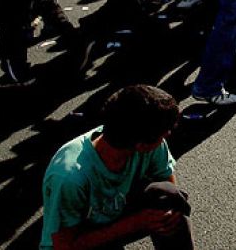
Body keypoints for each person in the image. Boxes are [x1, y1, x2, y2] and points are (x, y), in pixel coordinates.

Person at [41, 84, 194, 249]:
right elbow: (64, 246)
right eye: (164, 132)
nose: (168, 134)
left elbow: (165, 179)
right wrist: (134, 223)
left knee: (169, 198)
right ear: (141, 145)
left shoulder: (137, 138)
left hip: (115, 214)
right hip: (81, 238)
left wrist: (169, 212)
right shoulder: (70, 177)